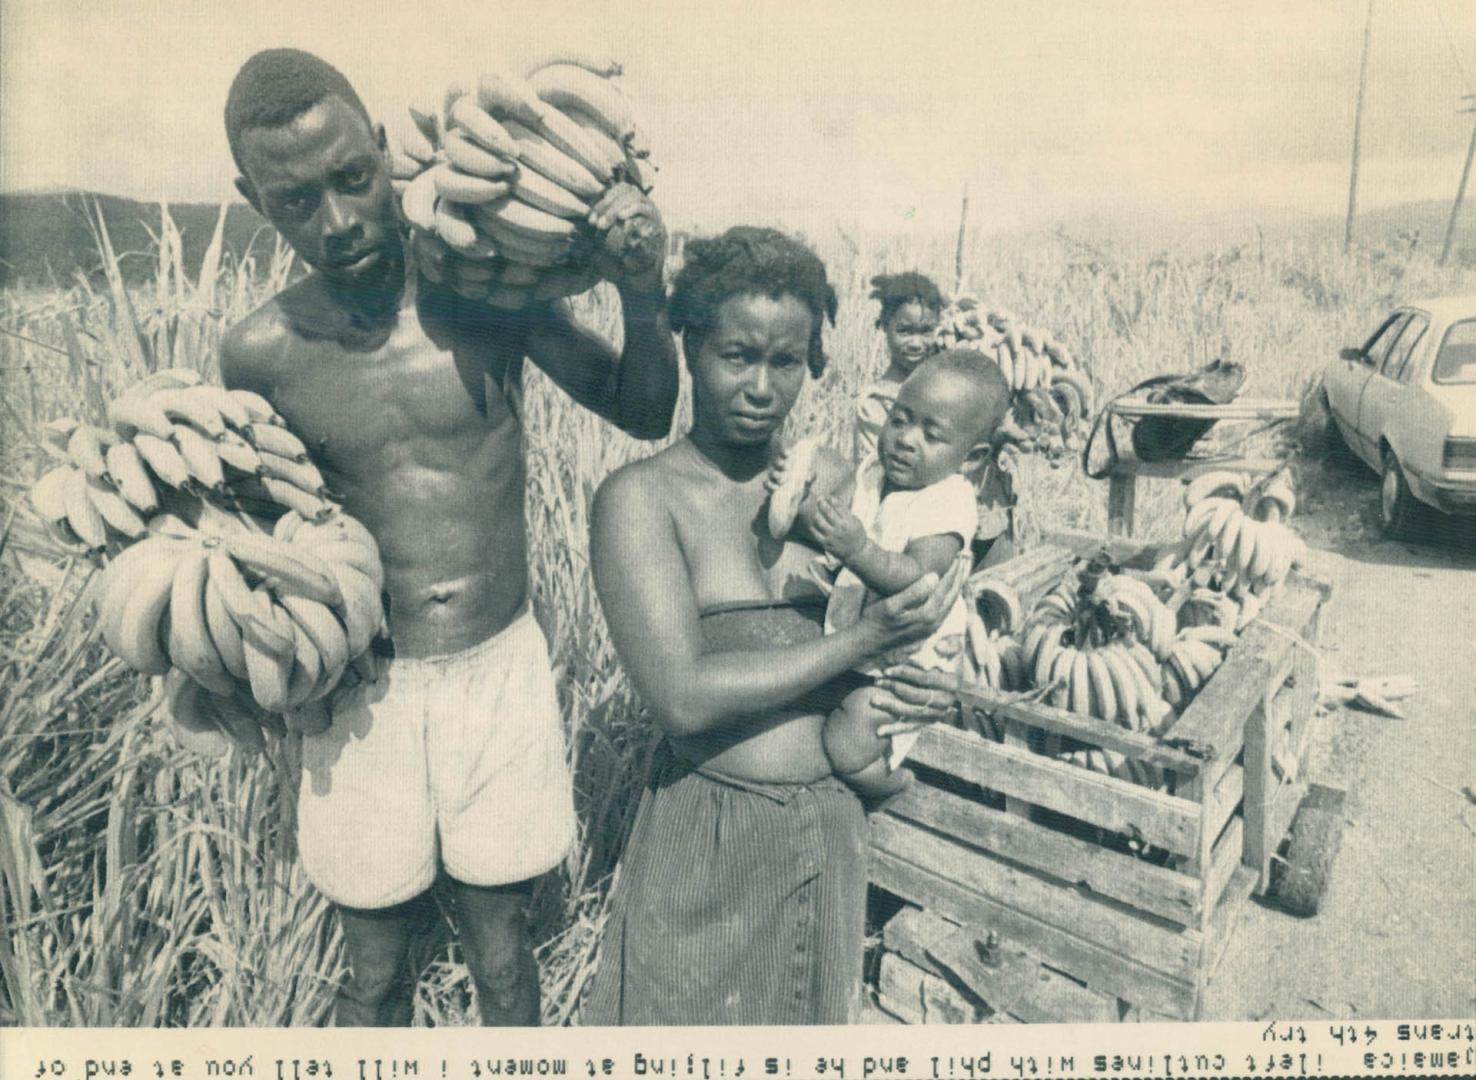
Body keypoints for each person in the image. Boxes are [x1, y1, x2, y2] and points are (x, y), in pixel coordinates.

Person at [216, 48, 680, 1026]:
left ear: (385, 151)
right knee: (374, 974)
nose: (339, 223)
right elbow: (258, 530)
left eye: (353, 178)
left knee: (505, 959)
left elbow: (641, 409)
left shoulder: (486, 293)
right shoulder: (256, 354)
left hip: (495, 674)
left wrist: (644, 286)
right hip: (364, 697)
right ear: (253, 201)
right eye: (297, 202)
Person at [581, 226, 968, 1026]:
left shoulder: (836, 487)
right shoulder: (642, 500)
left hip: (829, 838)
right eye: (737, 356)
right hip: (708, 844)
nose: (761, 386)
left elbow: (907, 625)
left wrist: (919, 680)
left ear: (813, 362)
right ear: (689, 347)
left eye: (786, 362)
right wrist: (864, 641)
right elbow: (682, 697)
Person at [796, 351, 1011, 801]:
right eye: (899, 420)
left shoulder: (949, 501)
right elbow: (832, 516)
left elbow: (917, 580)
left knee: (846, 743)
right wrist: (801, 493)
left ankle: (898, 789)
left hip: (908, 666)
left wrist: (858, 548)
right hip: (861, 644)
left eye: (931, 435)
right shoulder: (873, 474)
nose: (906, 440)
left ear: (971, 458)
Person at [854, 273, 1016, 567]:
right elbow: (880, 470)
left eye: (926, 331)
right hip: (911, 521)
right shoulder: (877, 401)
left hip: (971, 509)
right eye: (904, 331)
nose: (916, 343)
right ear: (884, 328)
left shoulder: (951, 379)